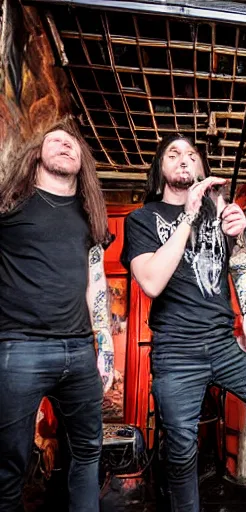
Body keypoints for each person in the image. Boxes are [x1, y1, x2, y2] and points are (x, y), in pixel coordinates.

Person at [121, 136, 246, 512]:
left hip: (225, 345)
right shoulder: (141, 219)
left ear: (203, 172)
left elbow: (239, 265)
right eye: (173, 154)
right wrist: (189, 214)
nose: (184, 159)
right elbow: (153, 281)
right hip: (176, 352)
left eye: (192, 155)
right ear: (160, 171)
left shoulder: (220, 214)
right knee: (181, 451)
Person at [0, 119, 114, 511]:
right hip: (20, 349)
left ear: (83, 161)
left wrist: (105, 347)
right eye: (56, 140)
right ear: (36, 155)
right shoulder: (9, 207)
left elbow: (96, 283)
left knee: (87, 455)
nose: (66, 145)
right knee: (8, 468)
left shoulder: (89, 216)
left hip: (80, 351)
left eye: (73, 144)